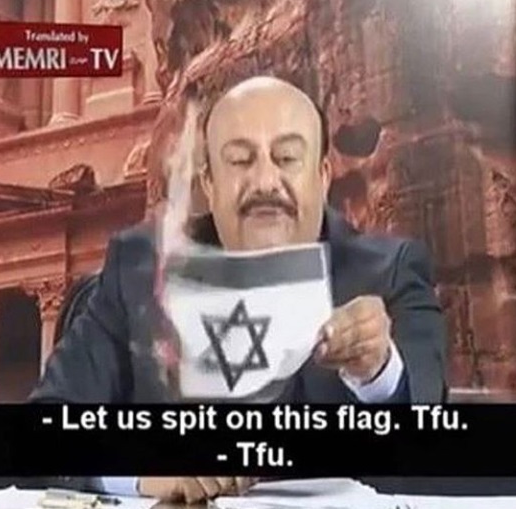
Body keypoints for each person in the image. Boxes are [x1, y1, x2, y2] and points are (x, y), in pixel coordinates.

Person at [28, 76, 448, 502]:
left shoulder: (390, 272)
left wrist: (378, 375)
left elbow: (430, 450)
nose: (265, 182)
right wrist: (143, 470)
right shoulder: (138, 269)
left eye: (287, 157)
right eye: (240, 160)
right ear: (209, 185)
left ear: (323, 176)